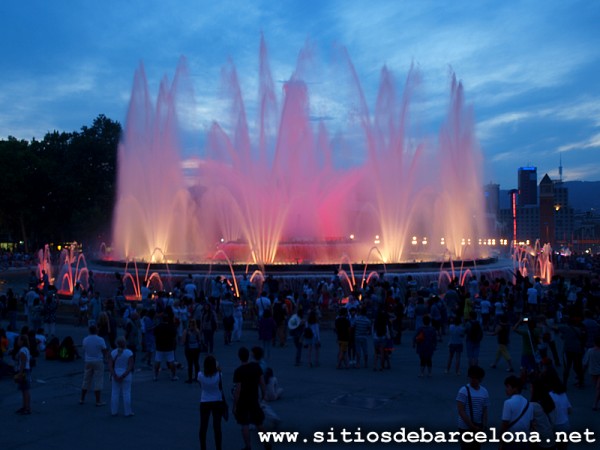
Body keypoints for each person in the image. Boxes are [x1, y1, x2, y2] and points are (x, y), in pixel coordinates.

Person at [232, 347, 271, 450]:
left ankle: (248, 446)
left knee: (244, 424)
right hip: (254, 398)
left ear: (239, 357)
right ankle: (267, 443)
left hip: (243, 401)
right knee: (259, 423)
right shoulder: (256, 367)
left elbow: (238, 390)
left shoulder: (238, 371)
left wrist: (235, 405)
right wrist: (264, 394)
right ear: (248, 356)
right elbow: (262, 383)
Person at [456, 365, 489, 450]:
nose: (472, 380)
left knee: (477, 447)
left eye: (475, 378)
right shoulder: (463, 390)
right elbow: (461, 411)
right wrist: (472, 426)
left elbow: (485, 409)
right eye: (471, 377)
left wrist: (484, 424)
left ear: (480, 379)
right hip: (465, 427)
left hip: (478, 426)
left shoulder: (484, 391)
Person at [198, 355, 224, 450]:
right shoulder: (218, 375)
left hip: (205, 401)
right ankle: (218, 447)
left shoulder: (200, 375)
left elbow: (201, 385)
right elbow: (219, 369)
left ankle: (203, 447)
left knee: (203, 426)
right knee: (217, 427)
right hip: (217, 401)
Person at [500, 375, 534, 450]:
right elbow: (531, 424)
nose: (506, 389)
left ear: (515, 388)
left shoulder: (508, 403)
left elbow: (505, 424)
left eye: (508, 387)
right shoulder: (529, 404)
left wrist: (501, 441)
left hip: (511, 440)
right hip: (525, 441)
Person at [80, 324, 108, 406]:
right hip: (98, 360)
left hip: (88, 361)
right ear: (96, 330)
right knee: (98, 380)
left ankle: (82, 398)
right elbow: (104, 350)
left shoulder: (85, 339)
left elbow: (84, 349)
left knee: (86, 379)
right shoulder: (100, 339)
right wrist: (106, 357)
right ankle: (98, 401)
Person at [108, 336, 135, 417]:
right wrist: (124, 375)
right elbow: (130, 366)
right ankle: (128, 412)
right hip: (126, 375)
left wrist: (115, 375)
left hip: (116, 373)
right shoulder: (129, 353)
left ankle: (114, 411)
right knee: (126, 393)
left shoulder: (113, 353)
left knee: (115, 393)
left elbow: (110, 366)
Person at [153, 314, 178, 381]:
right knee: (171, 361)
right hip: (169, 346)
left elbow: (154, 333)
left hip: (160, 346)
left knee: (157, 361)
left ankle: (155, 375)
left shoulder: (158, 327)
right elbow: (175, 335)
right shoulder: (171, 327)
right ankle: (173, 375)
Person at [14, 334, 32, 414]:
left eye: (18, 340)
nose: (17, 341)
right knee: (24, 390)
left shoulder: (22, 350)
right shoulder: (25, 349)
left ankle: (27, 408)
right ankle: (25, 407)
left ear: (22, 341)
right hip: (26, 370)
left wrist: (20, 373)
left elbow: (23, 363)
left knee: (25, 390)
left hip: (24, 371)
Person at [582, 335, 600, 410]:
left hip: (593, 371)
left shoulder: (590, 351)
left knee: (597, 387)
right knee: (598, 388)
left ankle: (595, 404)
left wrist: (583, 372)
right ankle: (595, 403)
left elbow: (585, 362)